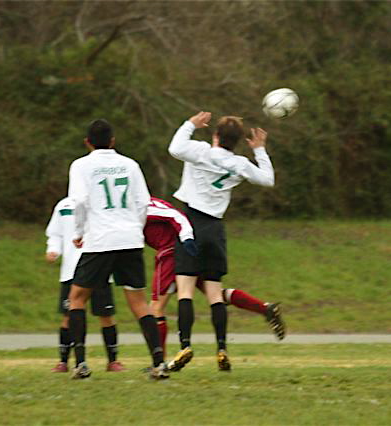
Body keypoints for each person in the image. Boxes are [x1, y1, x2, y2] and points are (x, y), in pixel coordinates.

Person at [167, 111, 275, 372]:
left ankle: (185, 345)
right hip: (215, 229)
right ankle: (222, 349)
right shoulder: (240, 163)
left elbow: (175, 148)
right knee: (215, 294)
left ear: (215, 134)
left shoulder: (201, 151)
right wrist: (259, 150)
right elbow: (268, 179)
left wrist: (190, 124)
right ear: (238, 141)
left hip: (191, 224)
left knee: (185, 290)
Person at [66, 118, 168, 380]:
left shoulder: (81, 165)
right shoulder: (130, 164)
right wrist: (135, 229)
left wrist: (78, 232)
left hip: (100, 239)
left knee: (77, 298)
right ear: (113, 141)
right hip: (130, 239)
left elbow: (79, 201)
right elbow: (143, 202)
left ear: (87, 142)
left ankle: (81, 363)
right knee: (139, 303)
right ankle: (159, 363)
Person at [144, 196, 285, 356]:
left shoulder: (141, 207)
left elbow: (175, 215)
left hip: (173, 252)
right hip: (188, 245)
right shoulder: (144, 204)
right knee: (216, 295)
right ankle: (265, 309)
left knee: (155, 307)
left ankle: (159, 362)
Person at [45, 197, 124, 373]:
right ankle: (64, 361)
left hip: (100, 268)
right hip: (71, 271)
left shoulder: (103, 201)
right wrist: (53, 249)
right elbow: (55, 233)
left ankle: (113, 361)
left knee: (105, 315)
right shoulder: (64, 206)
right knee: (69, 316)